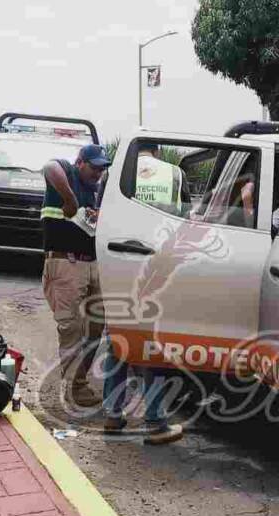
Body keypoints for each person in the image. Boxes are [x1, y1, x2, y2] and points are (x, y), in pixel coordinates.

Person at [100, 142, 185, 445]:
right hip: (158, 267)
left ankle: (112, 413)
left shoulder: (114, 174)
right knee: (154, 346)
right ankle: (156, 420)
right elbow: (185, 219)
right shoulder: (174, 174)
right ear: (159, 152)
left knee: (118, 340)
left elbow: (101, 218)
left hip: (120, 262)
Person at [40, 144, 112, 408]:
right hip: (65, 263)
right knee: (72, 328)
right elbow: (49, 167)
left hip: (92, 264)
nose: (98, 173)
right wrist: (69, 199)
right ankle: (71, 390)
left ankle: (78, 383)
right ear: (80, 162)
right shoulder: (66, 173)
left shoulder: (97, 190)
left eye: (102, 169)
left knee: (96, 326)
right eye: (94, 167)